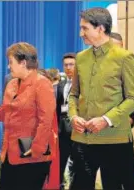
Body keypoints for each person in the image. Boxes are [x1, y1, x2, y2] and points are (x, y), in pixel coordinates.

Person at [0, 42, 58, 190]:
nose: (9, 66)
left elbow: (46, 120)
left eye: (11, 62)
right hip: (10, 153)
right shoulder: (12, 84)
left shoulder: (42, 84)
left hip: (33, 156)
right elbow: (6, 113)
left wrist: (37, 148)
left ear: (23, 63)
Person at [68, 8, 134, 190]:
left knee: (115, 186)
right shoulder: (81, 58)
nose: (80, 33)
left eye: (85, 28)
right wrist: (73, 116)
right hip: (82, 139)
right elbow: (73, 94)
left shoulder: (124, 57)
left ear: (100, 28)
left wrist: (106, 120)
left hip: (114, 140)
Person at [56, 52, 76, 189]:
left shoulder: (82, 83)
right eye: (66, 65)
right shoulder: (61, 85)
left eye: (71, 64)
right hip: (61, 130)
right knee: (60, 162)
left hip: (76, 130)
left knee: (75, 165)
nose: (68, 67)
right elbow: (58, 108)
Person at [110, 32, 134, 128]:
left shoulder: (127, 66)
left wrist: (130, 118)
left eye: (119, 48)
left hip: (122, 123)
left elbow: (132, 96)